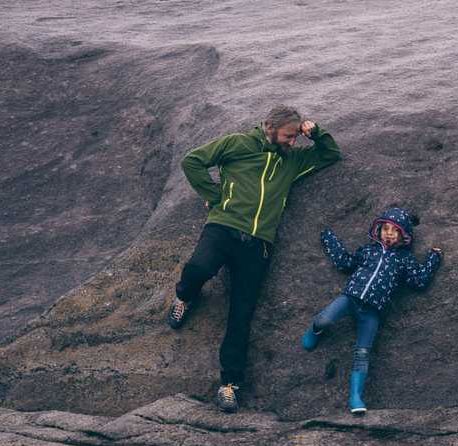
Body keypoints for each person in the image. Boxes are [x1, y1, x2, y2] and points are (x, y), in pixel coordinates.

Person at [170, 105, 342, 412]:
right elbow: (192, 161)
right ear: (270, 128)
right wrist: (215, 196)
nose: (293, 141)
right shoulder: (238, 143)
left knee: (242, 314)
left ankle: (230, 385)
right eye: (289, 136)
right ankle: (185, 296)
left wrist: (315, 133)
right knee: (198, 268)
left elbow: (330, 154)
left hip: (259, 244)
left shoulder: (292, 160)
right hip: (223, 227)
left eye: (296, 136)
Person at [302, 206, 443, 414]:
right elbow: (345, 263)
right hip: (350, 298)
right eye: (386, 229)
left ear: (404, 236)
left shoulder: (404, 259)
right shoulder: (368, 250)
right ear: (379, 230)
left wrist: (433, 258)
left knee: (362, 353)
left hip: (372, 312)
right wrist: (328, 238)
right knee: (325, 319)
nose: (389, 234)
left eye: (395, 231)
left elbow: (419, 281)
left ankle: (356, 397)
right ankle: (315, 330)